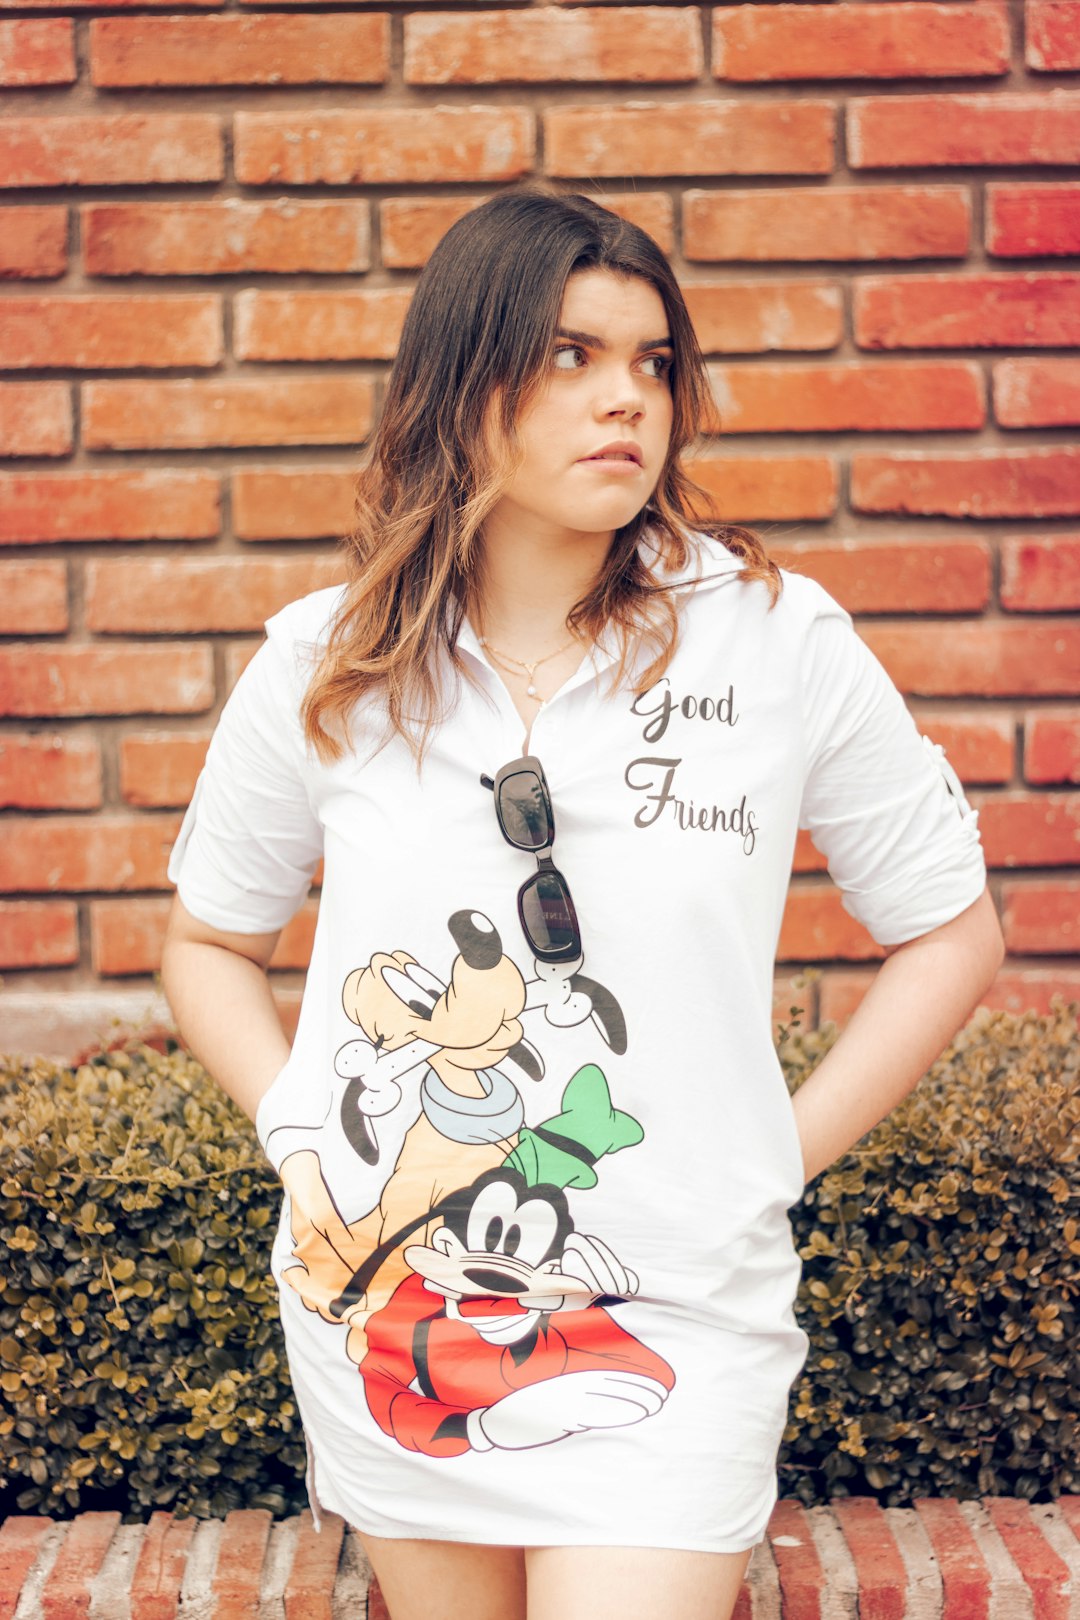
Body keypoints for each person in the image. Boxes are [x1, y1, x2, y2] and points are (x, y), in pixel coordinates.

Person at [161, 185, 1005, 1620]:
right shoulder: (330, 661)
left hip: (673, 1305)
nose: (628, 399)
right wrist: (305, 1138)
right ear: (462, 380)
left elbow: (952, 929)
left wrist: (770, 1157)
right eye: (571, 356)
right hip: (395, 1311)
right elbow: (206, 944)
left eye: (653, 362)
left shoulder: (772, 636)